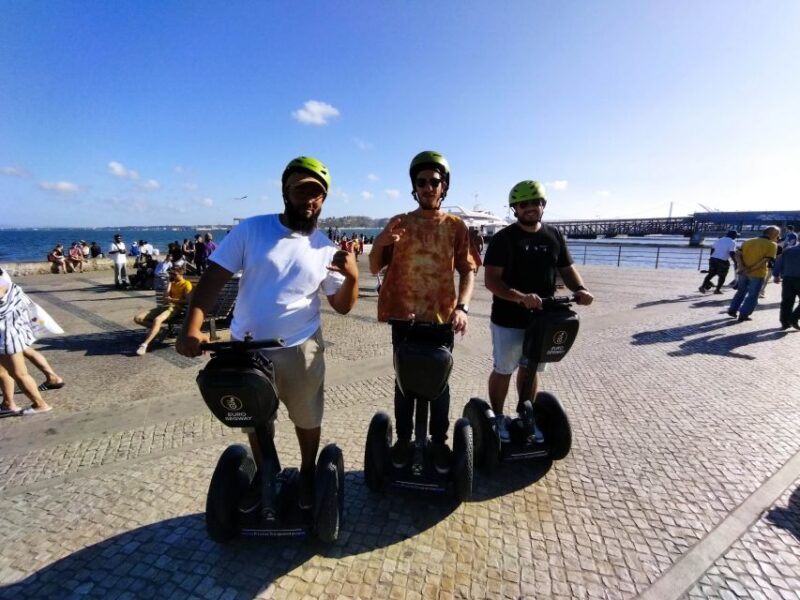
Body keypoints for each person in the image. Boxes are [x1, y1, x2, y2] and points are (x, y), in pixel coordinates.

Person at [176, 156, 358, 509]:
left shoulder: (325, 247)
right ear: (285, 191)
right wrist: (191, 329)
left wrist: (352, 277)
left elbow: (343, 305)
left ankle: (307, 472)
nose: (310, 199)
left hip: (299, 346)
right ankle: (266, 471)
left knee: (307, 415)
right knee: (255, 419)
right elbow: (213, 280)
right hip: (246, 349)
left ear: (324, 199)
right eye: (302, 190)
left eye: (317, 193)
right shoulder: (252, 230)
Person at [369, 150, 475, 473]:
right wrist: (382, 240)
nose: (429, 187)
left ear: (444, 186)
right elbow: (375, 265)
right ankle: (403, 440)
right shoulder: (399, 223)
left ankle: (439, 442)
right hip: (405, 317)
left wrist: (463, 307)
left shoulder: (456, 226)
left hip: (442, 319)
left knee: (438, 383)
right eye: (422, 182)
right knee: (405, 383)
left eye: (435, 181)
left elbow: (468, 270)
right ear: (414, 187)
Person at [483, 180, 594, 442]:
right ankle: (498, 418)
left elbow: (566, 268)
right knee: (505, 368)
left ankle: (525, 415)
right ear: (515, 209)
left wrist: (581, 289)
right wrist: (520, 298)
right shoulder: (504, 239)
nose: (530, 208)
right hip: (509, 318)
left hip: (543, 318)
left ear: (544, 205)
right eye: (524, 204)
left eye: (536, 203)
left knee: (531, 367)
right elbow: (492, 281)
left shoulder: (554, 235)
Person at [0, 269, 53, 415]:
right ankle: (8, 403)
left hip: (7, 337)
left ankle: (40, 404)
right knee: (2, 372)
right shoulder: (6, 279)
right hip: (13, 331)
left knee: (20, 374)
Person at [134, 265, 193, 355]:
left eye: (174, 274)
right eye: (171, 274)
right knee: (138, 318)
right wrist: (169, 284)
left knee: (157, 320)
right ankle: (160, 330)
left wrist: (172, 300)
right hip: (164, 307)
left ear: (181, 274)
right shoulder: (172, 283)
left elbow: (188, 301)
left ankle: (144, 345)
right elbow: (165, 298)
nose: (172, 275)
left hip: (175, 308)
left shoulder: (186, 284)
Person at [728, 226, 780, 322]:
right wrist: (750, 269)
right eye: (778, 235)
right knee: (753, 295)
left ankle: (733, 309)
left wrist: (741, 267)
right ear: (773, 235)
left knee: (740, 292)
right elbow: (765, 260)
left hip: (742, 272)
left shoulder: (748, 241)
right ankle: (744, 314)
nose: (778, 237)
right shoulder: (772, 245)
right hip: (757, 273)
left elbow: (737, 254)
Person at [773, 240, 800, 330]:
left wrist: (776, 274)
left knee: (787, 301)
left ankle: (785, 322)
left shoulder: (788, 250)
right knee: (787, 301)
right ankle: (793, 318)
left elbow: (779, 261)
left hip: (788, 278)